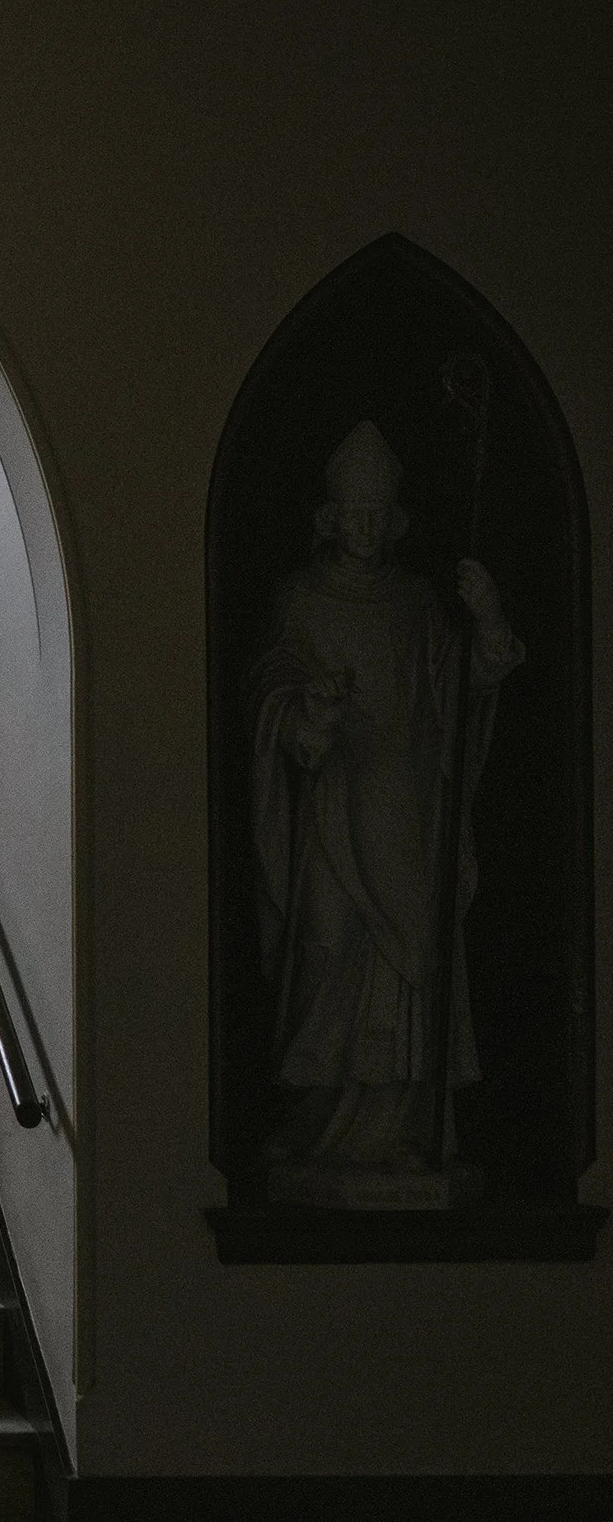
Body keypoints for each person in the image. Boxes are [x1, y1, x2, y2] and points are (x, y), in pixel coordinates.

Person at [250, 419, 522, 1198]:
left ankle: (406, 1129)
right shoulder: (300, 599)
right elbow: (267, 692)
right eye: (353, 514)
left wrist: (489, 616)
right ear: (331, 515)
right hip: (334, 807)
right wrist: (309, 719)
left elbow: (461, 686)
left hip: (406, 809)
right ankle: (315, 1123)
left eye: (379, 515)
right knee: (329, 948)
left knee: (408, 967)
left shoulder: (415, 602)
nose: (365, 529)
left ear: (393, 517)